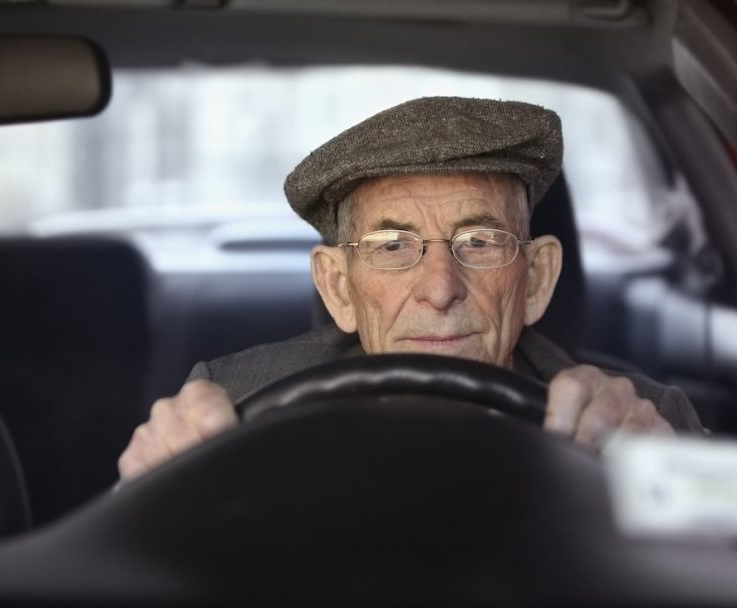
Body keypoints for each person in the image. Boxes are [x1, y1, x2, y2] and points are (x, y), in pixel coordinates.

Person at [118, 96, 704, 481]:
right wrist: (140, 497)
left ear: (537, 280)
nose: (440, 289)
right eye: (392, 247)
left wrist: (666, 480)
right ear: (339, 288)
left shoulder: (641, 419)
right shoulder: (230, 404)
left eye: (479, 241)